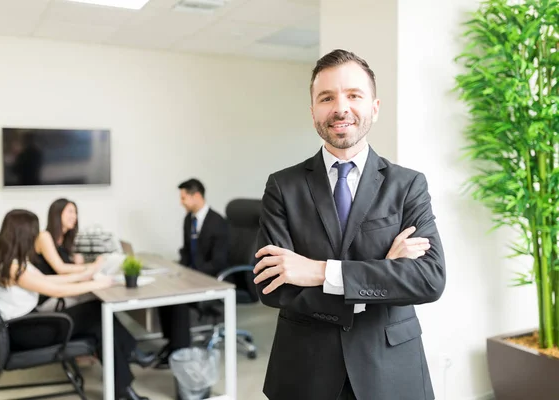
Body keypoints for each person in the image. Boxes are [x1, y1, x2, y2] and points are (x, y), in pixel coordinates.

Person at [253, 49, 446, 400]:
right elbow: (273, 288)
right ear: (313, 111)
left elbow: (429, 279)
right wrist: (386, 269)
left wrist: (318, 272)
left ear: (374, 106)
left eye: (354, 95)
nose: (340, 108)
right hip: (305, 370)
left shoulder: (407, 185)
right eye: (327, 97)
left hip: (389, 368)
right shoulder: (283, 186)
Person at [0, 209, 154, 400]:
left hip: (28, 323)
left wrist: (85, 275)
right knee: (96, 315)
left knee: (98, 319)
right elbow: (55, 291)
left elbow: (51, 281)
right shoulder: (12, 267)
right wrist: (95, 283)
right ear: (23, 234)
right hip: (24, 331)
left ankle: (124, 382)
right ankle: (130, 359)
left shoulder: (17, 262)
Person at [155, 179, 228, 368]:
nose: (181, 202)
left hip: (213, 278)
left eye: (184, 198)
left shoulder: (217, 222)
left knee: (178, 299)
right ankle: (171, 342)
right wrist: (180, 271)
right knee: (164, 291)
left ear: (196, 196)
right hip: (192, 275)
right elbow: (186, 251)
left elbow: (218, 262)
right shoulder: (189, 219)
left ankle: (180, 350)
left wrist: (192, 276)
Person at [33, 198, 102, 309]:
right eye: (70, 211)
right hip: (48, 298)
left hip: (61, 291)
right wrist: (93, 266)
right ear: (57, 213)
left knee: (98, 297)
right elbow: (61, 268)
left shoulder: (64, 241)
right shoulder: (44, 236)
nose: (74, 216)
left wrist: (79, 265)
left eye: (75, 213)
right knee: (98, 301)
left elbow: (67, 273)